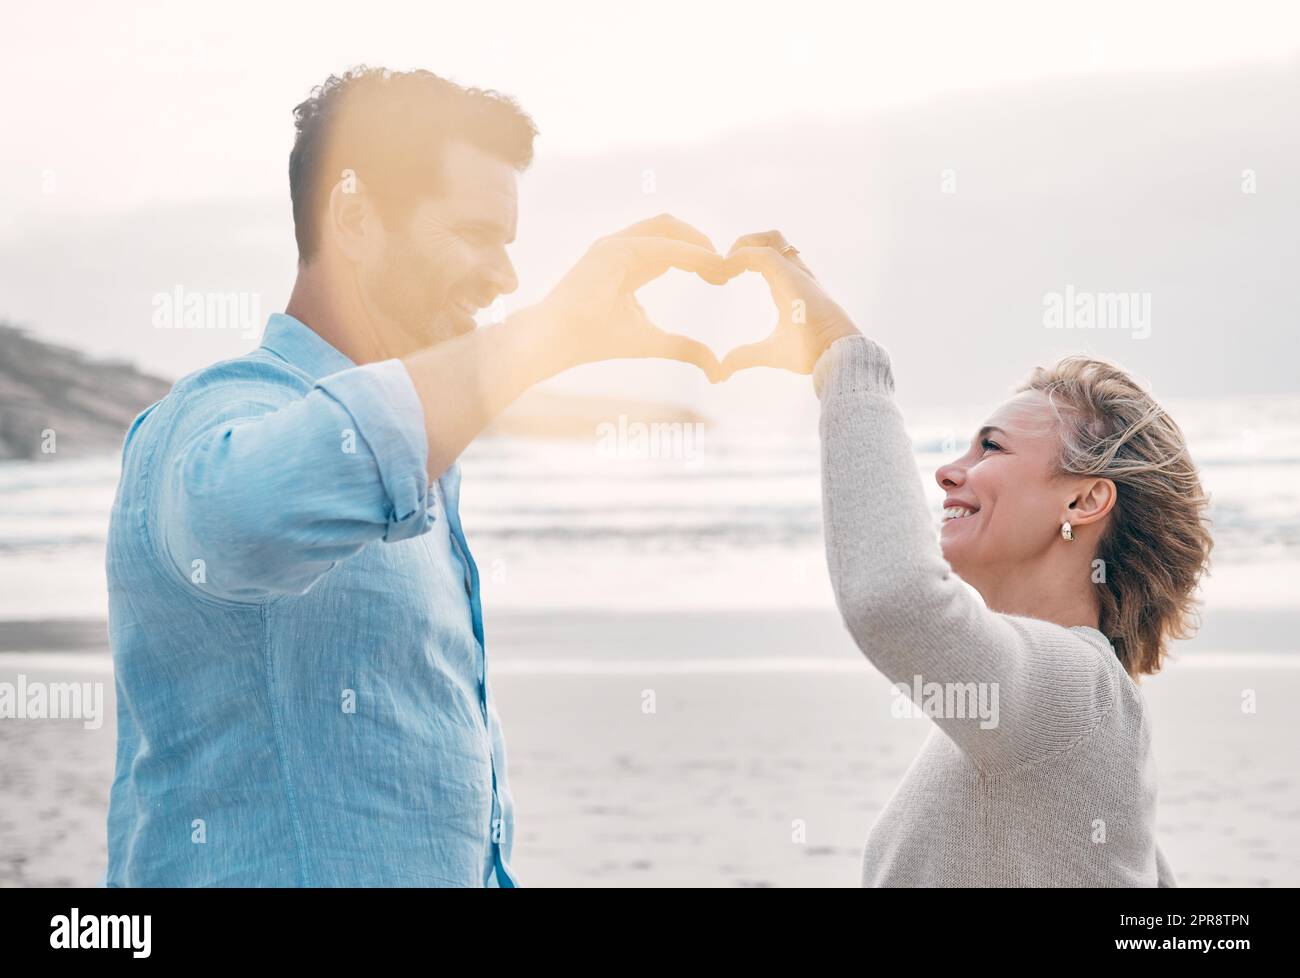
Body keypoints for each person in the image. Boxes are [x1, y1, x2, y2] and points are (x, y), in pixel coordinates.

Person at [104, 67, 727, 886]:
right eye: (475, 233)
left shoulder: (427, 459)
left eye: (509, 244)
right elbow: (240, 522)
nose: (506, 277)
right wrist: (550, 338)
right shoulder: (214, 416)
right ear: (356, 217)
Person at [718, 230, 1213, 886]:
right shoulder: (1067, 719)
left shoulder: (1075, 699)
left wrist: (848, 362)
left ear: (1086, 500)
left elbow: (895, 599)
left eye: (992, 448)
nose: (949, 472)